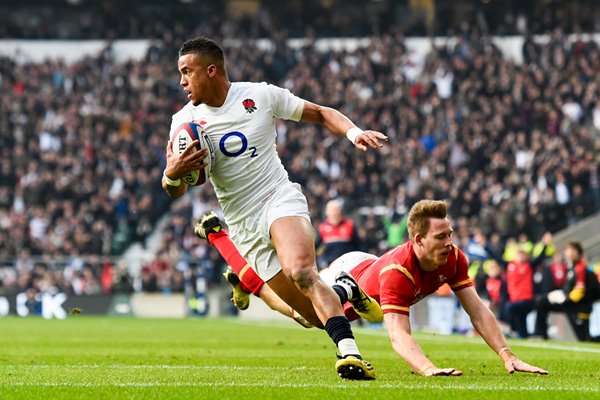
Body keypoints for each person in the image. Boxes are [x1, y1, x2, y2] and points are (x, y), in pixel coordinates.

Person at [162, 37, 388, 380]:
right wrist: (171, 174)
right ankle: (345, 288)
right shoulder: (184, 122)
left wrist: (353, 133)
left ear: (211, 71)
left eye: (186, 72)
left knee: (302, 271)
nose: (181, 81)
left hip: (277, 198)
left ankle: (350, 355)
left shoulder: (259, 96)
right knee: (311, 317)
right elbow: (174, 190)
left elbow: (322, 113)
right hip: (243, 224)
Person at [196, 199, 548, 376]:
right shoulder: (399, 270)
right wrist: (427, 368)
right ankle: (220, 238)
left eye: (450, 234)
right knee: (304, 317)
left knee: (367, 311)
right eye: (442, 236)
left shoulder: (452, 257)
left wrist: (508, 355)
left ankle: (357, 295)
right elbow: (397, 334)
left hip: (365, 268)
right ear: (418, 239)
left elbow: (476, 309)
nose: (450, 241)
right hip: (351, 272)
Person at [533, 242, 599, 341]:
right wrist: (559, 294)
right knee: (542, 302)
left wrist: (564, 298)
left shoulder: (580, 268)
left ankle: (541, 334)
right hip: (570, 305)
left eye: (572, 250)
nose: (569, 253)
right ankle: (540, 335)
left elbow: (579, 292)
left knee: (586, 339)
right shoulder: (570, 268)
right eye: (568, 251)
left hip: (579, 307)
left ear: (579, 253)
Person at [315, 199, 361, 269]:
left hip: (348, 264)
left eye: (336, 211)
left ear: (340, 212)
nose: (334, 214)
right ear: (327, 213)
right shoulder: (323, 228)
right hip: (330, 265)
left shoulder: (349, 225)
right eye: (332, 211)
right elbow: (315, 247)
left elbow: (359, 245)